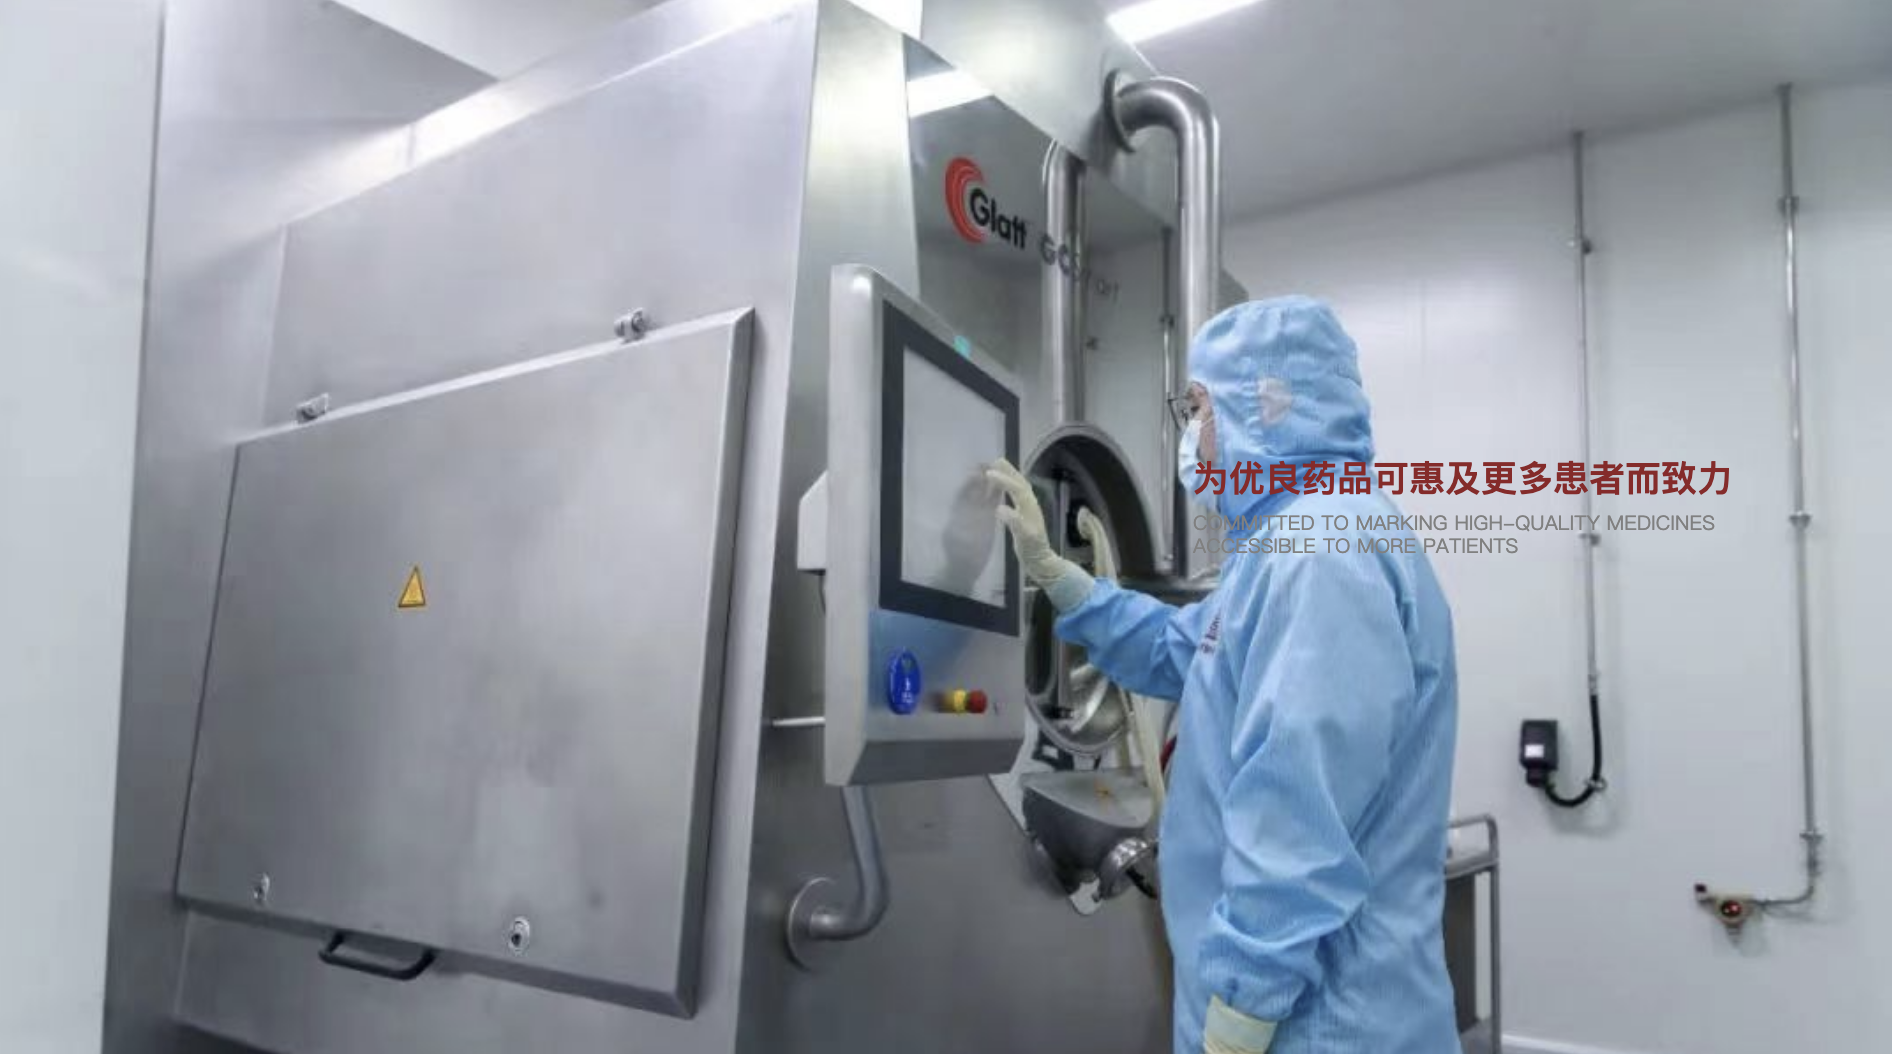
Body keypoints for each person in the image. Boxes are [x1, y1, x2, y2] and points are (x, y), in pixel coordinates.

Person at [988, 296, 1460, 1054]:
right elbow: (1185, 648)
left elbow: (1298, 815)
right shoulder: (1291, 544)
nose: (1191, 433)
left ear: (1264, 405)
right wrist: (1061, 580)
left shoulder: (1319, 555)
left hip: (1315, 1022)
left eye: (1198, 407)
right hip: (1303, 1007)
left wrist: (1242, 1014)